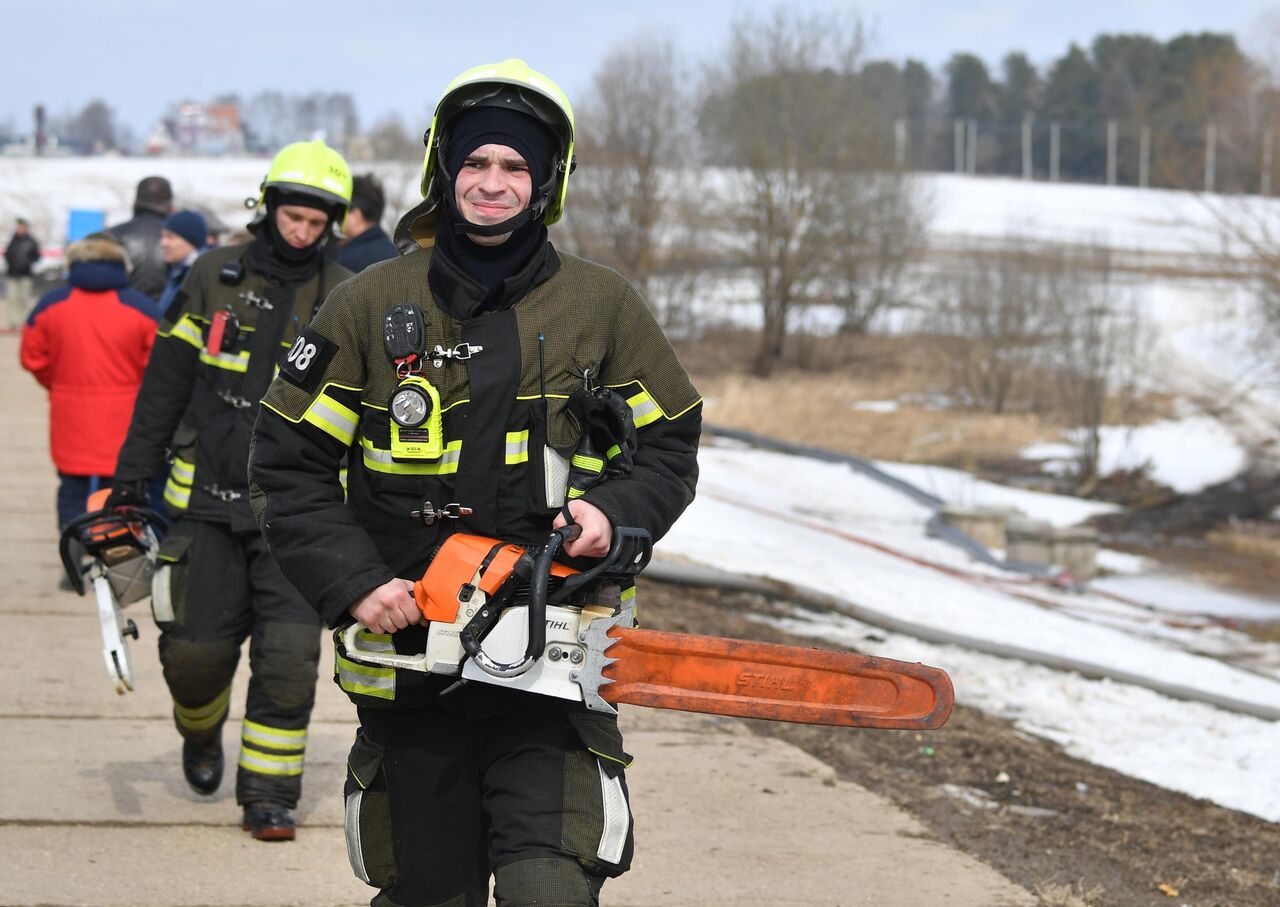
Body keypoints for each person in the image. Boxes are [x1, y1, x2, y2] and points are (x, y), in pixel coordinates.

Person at [248, 60, 702, 906]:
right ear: (444, 170)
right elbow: (287, 464)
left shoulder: (602, 307)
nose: (493, 183)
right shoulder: (366, 305)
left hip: (556, 664)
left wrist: (613, 511)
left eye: (516, 167)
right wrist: (356, 584)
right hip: (413, 667)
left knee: (549, 888)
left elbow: (670, 447)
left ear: (548, 183)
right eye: (477, 163)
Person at [104, 141, 354, 841]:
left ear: (331, 224)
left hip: (297, 518)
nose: (301, 232)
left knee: (288, 662)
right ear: (268, 208)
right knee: (193, 653)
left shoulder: (343, 294)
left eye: (316, 222)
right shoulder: (213, 275)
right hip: (205, 505)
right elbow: (165, 384)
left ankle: (269, 796)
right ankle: (201, 728)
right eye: (292, 216)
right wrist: (132, 475)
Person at [19, 232, 158, 531]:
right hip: (125, 413)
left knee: (71, 486)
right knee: (117, 489)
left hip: (70, 411)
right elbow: (159, 366)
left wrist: (58, 383)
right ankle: (112, 557)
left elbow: (33, 357)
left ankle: (72, 550)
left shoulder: (51, 304)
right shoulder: (141, 308)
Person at [108, 175, 174, 300]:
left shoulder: (112, 235)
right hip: (167, 315)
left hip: (122, 311)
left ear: (136, 201)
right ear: (169, 204)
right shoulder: (179, 238)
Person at [327, 172, 398, 273]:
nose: (337, 218)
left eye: (340, 210)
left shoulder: (349, 260)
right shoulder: (394, 252)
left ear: (355, 215)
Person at [156, 209, 209, 318]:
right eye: (162, 236)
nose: (163, 243)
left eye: (170, 237)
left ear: (191, 241)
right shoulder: (177, 272)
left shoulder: (201, 276)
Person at [5, 217, 41, 329]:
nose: (20, 229)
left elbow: (37, 256)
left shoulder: (32, 241)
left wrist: (27, 263)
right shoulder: (13, 240)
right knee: (12, 299)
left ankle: (23, 322)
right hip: (12, 274)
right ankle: (14, 322)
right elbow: (8, 255)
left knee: (24, 299)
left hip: (26, 275)